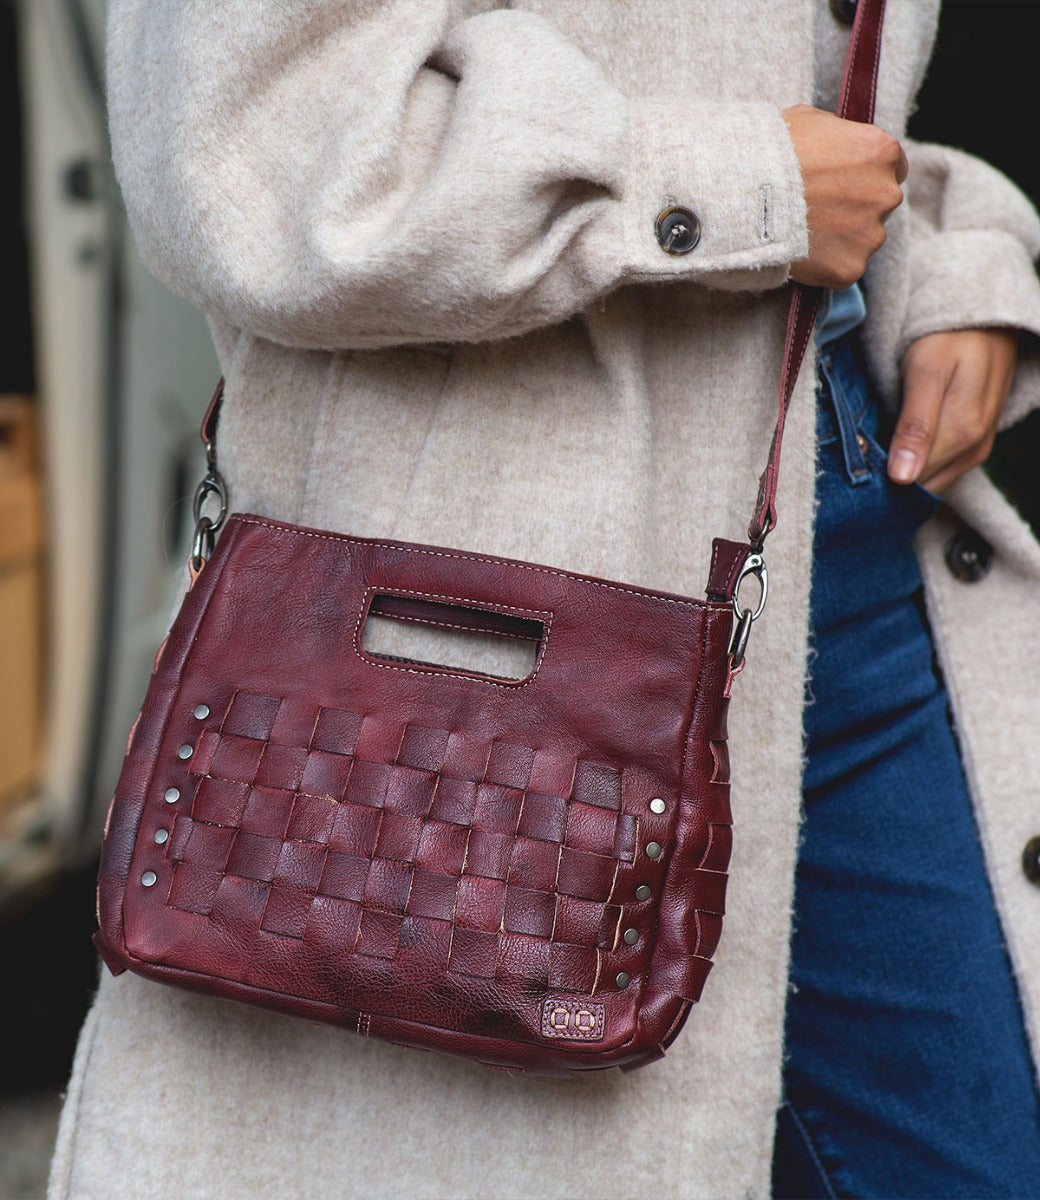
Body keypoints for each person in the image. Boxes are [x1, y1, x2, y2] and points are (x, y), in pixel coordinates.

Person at [49, 2, 1040, 1196]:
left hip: (850, 576)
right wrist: (742, 189)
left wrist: (932, 257)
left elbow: (786, 91)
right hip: (475, 655)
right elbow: (245, 157)